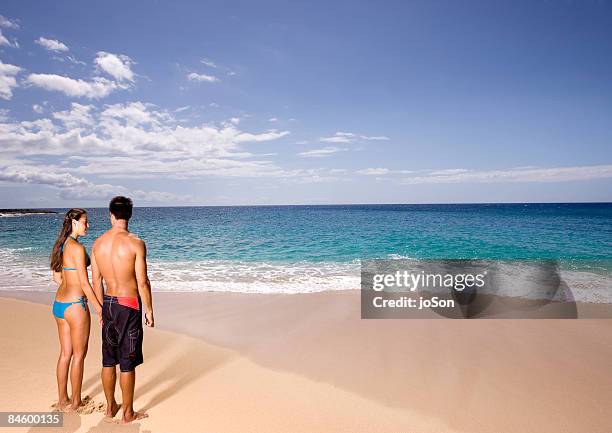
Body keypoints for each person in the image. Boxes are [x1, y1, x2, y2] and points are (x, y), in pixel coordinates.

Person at [91, 196, 154, 423]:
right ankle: (127, 413)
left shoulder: (98, 244)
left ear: (111, 215)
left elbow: (96, 281)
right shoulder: (136, 243)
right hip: (128, 305)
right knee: (127, 362)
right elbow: (142, 281)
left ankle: (110, 408)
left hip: (107, 303)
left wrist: (100, 309)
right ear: (129, 214)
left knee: (108, 359)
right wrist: (149, 310)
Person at [50, 208, 103, 412]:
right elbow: (85, 284)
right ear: (74, 223)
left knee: (65, 353)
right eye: (85, 222)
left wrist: (68, 282)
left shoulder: (60, 245)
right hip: (75, 307)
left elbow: (57, 278)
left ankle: (63, 399)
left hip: (59, 306)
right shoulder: (78, 249)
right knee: (79, 355)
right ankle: (76, 403)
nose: (87, 225)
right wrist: (99, 309)